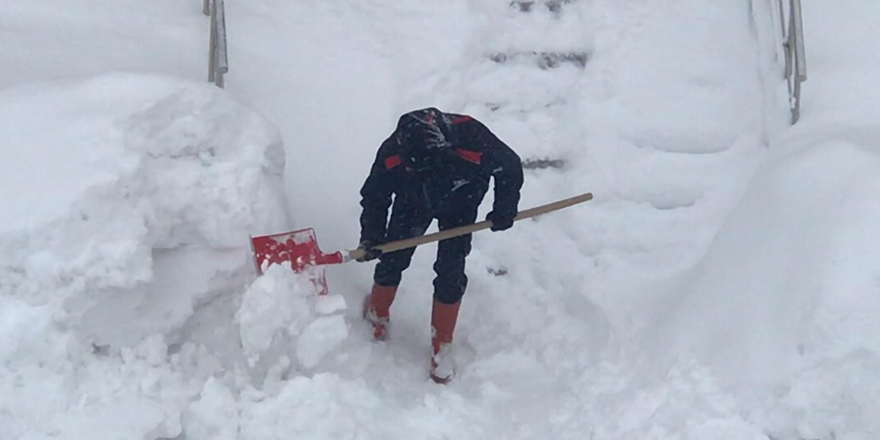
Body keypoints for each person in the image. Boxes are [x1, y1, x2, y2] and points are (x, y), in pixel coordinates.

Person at [356, 107, 524, 384]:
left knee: (450, 270)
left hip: (461, 200)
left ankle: (442, 346)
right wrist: (372, 236)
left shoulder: (471, 136)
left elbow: (509, 166)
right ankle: (377, 313)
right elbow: (375, 196)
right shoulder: (392, 154)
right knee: (394, 256)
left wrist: (504, 208)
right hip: (412, 203)